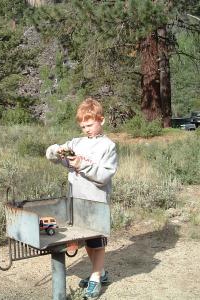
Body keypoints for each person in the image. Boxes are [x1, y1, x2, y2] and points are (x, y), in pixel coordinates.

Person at [45, 98, 118, 299]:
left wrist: (81, 165)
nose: (86, 129)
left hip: (96, 203)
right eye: (83, 125)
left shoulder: (108, 146)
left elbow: (104, 176)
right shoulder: (76, 143)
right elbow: (53, 157)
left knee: (97, 241)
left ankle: (95, 277)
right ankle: (100, 272)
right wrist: (55, 151)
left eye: (90, 124)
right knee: (87, 240)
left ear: (101, 120)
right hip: (76, 201)